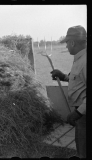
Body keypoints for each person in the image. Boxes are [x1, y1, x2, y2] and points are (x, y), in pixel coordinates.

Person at [50, 25, 86, 158]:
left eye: (66, 43)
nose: (66, 46)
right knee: (80, 143)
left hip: (85, 114)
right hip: (82, 113)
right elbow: (79, 80)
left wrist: (77, 113)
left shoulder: (85, 61)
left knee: (84, 148)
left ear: (72, 42)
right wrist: (64, 76)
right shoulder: (80, 59)